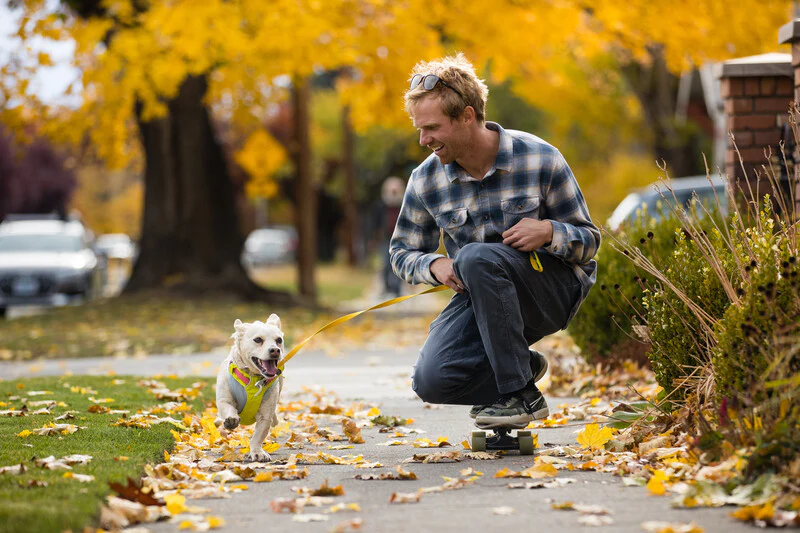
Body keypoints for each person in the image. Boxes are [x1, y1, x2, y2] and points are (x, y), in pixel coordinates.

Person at [389, 54, 600, 429]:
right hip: (480, 298)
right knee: (432, 380)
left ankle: (521, 395)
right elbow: (401, 252)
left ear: (467, 116)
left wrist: (549, 232)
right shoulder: (426, 180)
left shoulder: (540, 158)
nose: (424, 140)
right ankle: (521, 366)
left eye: (433, 128)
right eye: (420, 129)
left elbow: (589, 243)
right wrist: (433, 266)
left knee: (476, 257)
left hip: (550, 294)